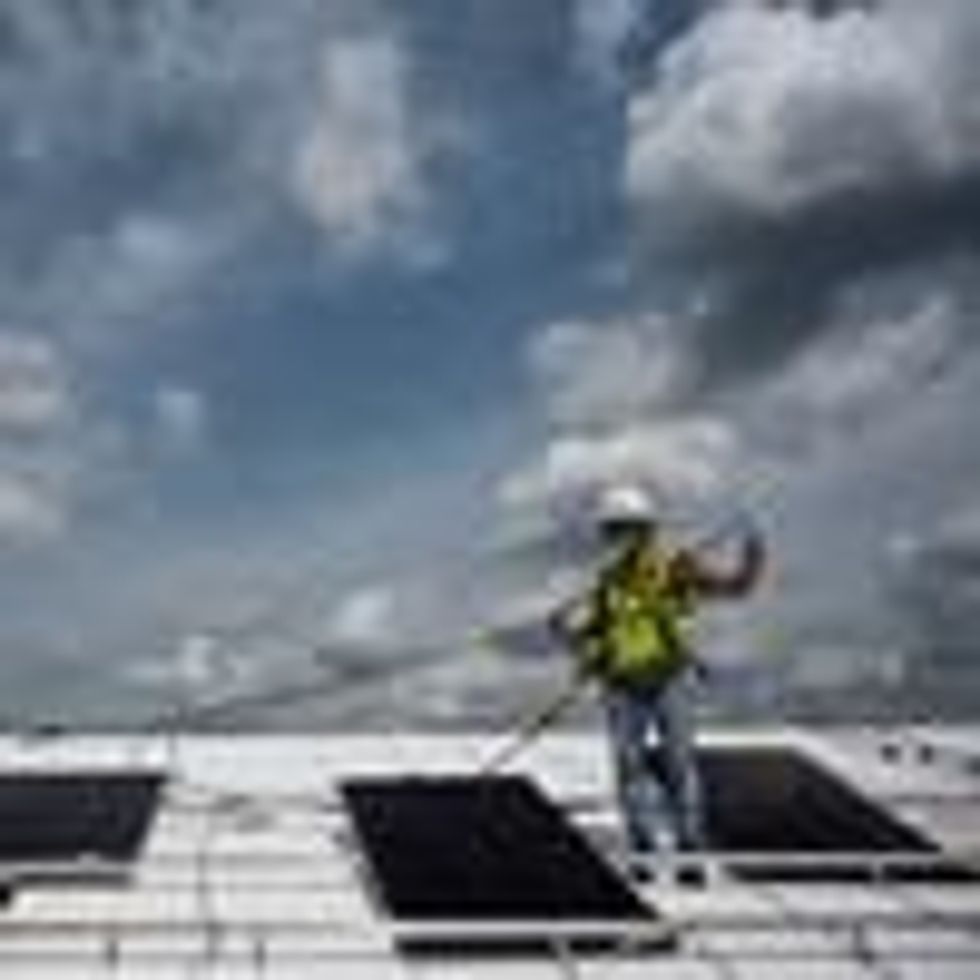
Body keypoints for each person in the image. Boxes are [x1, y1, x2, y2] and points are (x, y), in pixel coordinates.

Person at [550, 484, 765, 881]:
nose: (617, 539)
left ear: (645, 531)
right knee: (629, 768)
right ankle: (643, 850)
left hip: (668, 679)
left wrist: (753, 554)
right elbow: (594, 633)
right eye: (612, 531)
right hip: (620, 684)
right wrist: (568, 634)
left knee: (678, 766)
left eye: (624, 530)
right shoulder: (607, 583)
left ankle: (689, 850)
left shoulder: (674, 568)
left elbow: (736, 588)